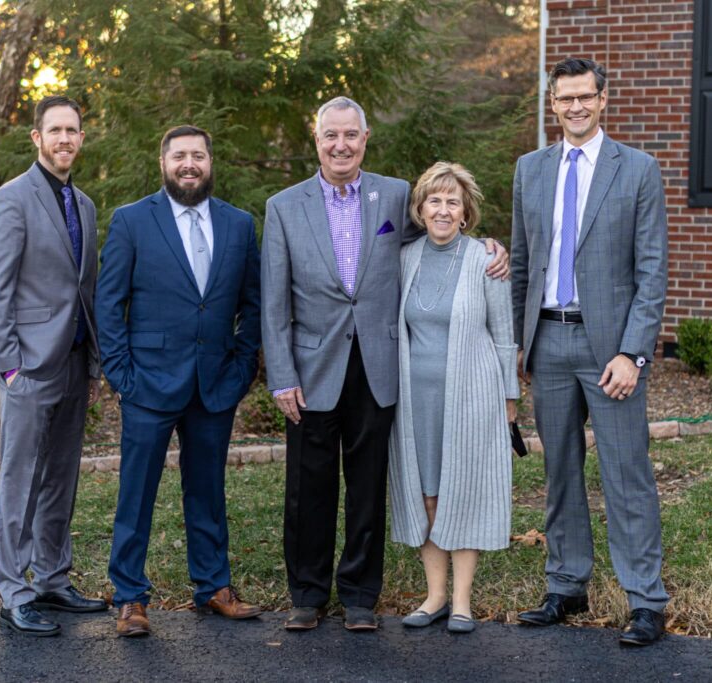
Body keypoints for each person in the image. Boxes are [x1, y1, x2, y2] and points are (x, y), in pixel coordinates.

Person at [261, 96, 508, 632]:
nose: (341, 145)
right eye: (332, 135)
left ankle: (358, 596)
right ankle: (307, 594)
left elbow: (442, 237)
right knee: (309, 485)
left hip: (380, 364)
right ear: (317, 139)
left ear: (365, 139)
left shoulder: (395, 196)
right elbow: (273, 301)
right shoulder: (284, 206)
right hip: (311, 368)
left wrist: (489, 246)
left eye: (351, 135)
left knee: (369, 485)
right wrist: (280, 374)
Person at [510, 57, 670, 646]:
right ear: (552, 104)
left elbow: (651, 270)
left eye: (584, 97)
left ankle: (646, 599)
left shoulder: (638, 169)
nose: (574, 107)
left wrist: (633, 352)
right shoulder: (531, 169)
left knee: (627, 474)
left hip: (611, 348)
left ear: (603, 100)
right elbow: (524, 264)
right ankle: (567, 584)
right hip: (547, 340)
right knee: (559, 473)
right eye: (563, 98)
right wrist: (518, 347)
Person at [96, 125, 262, 638]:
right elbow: (109, 304)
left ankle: (213, 586)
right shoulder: (131, 221)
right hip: (146, 382)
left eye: (198, 156)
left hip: (214, 383)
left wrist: (241, 368)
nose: (189, 165)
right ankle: (129, 597)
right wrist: (122, 374)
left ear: (211, 162)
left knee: (208, 490)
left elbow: (252, 305)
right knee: (136, 492)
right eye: (179, 157)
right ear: (163, 163)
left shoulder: (238, 225)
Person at [0, 95, 107, 636]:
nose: (64, 139)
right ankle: (13, 590)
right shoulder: (12, 199)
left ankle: (53, 579)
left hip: (74, 362)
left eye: (72, 130)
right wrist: (9, 367)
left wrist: (94, 363)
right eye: (54, 130)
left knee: (60, 477)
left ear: (81, 138)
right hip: (28, 366)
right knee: (21, 479)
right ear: (36, 137)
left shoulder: (86, 205)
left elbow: (87, 288)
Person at [388, 162, 519, 634]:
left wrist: (509, 397)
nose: (443, 210)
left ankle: (462, 601)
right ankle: (435, 596)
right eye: (434, 201)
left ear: (466, 213)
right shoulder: (404, 257)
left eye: (453, 202)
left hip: (472, 396)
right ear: (420, 210)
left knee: (461, 492)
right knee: (427, 496)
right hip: (415, 399)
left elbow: (504, 336)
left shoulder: (486, 259)